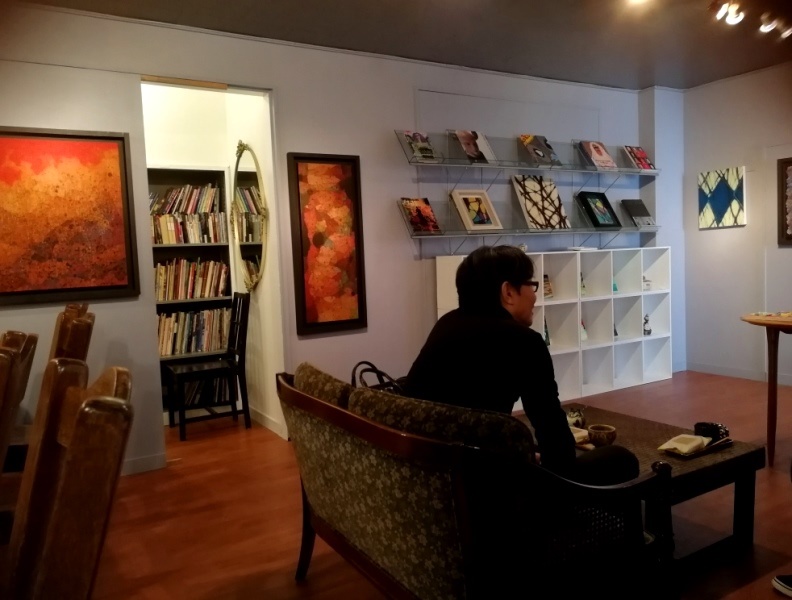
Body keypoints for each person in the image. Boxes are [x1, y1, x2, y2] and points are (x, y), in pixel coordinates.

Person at [403, 244, 638, 485]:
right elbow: (551, 431)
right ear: (508, 292)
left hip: (426, 475)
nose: (535, 296)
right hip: (486, 487)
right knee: (621, 459)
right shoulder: (524, 342)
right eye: (531, 285)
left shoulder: (446, 324)